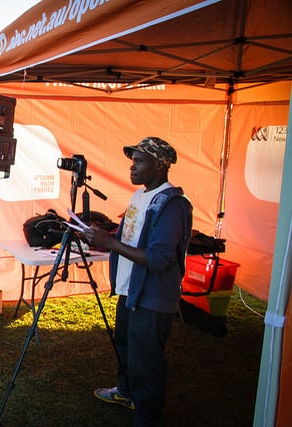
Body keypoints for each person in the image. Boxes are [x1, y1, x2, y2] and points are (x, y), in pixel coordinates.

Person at [82, 137, 193, 426]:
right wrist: (102, 235)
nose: (132, 167)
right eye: (132, 161)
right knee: (126, 348)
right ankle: (127, 392)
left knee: (147, 362)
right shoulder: (140, 195)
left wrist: (110, 242)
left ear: (160, 165)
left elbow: (158, 259)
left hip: (153, 297)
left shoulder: (173, 205)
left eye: (140, 161)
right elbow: (129, 236)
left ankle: (148, 416)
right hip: (130, 291)